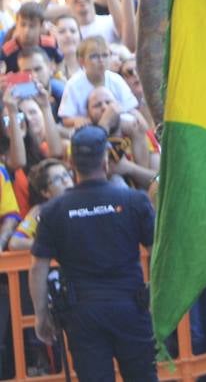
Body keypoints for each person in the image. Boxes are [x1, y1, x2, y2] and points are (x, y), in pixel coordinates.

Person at [31, 125, 157, 382]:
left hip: (82, 314)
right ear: (105, 160)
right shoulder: (134, 201)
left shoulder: (54, 210)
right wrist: (157, 295)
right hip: (130, 307)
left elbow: (38, 267)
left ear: (71, 162)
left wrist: (41, 315)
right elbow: (158, 253)